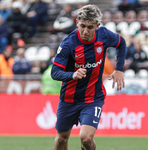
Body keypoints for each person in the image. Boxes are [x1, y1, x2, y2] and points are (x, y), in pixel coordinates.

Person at [51, 4, 126, 150]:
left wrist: (119, 69)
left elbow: (121, 43)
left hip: (93, 98)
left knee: (86, 138)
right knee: (61, 138)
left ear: (97, 25)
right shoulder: (69, 43)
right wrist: (72, 75)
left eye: (90, 27)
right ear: (77, 22)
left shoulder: (104, 35)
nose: (85, 31)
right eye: (83, 25)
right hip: (69, 98)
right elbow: (54, 72)